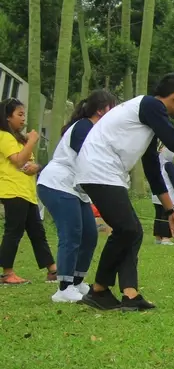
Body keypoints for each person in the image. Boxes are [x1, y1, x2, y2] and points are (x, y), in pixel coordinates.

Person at [75, 74, 174, 311]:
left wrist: (171, 211)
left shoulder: (146, 118)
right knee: (128, 229)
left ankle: (130, 294)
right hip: (98, 169)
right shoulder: (150, 104)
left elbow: (152, 169)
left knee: (132, 231)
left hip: (106, 172)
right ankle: (98, 290)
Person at [37, 90, 117, 302]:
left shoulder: (95, 131)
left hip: (76, 190)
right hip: (57, 184)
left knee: (89, 235)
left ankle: (77, 281)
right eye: (112, 107)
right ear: (101, 110)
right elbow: (90, 158)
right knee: (71, 234)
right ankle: (63, 288)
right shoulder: (83, 127)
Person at [0, 98, 56, 285]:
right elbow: (17, 160)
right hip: (12, 190)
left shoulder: (19, 139)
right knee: (13, 231)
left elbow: (29, 162)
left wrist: (36, 166)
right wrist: (32, 141)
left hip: (27, 192)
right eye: (19, 114)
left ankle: (52, 270)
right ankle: (7, 273)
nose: (23, 119)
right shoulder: (4, 136)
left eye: (24, 114)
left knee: (37, 232)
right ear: (8, 117)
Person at [151, 146, 174, 245]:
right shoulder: (169, 165)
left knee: (158, 216)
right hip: (168, 195)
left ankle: (158, 237)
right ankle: (166, 238)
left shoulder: (157, 164)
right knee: (167, 216)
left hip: (157, 195)